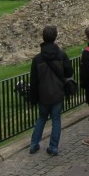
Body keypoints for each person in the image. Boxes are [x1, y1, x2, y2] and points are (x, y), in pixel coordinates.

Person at [28, 25, 72, 156]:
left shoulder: (37, 59)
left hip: (43, 93)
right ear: (55, 37)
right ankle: (53, 147)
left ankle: (34, 144)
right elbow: (69, 71)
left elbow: (34, 80)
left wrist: (33, 97)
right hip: (58, 92)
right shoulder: (61, 55)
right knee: (56, 120)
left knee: (41, 118)